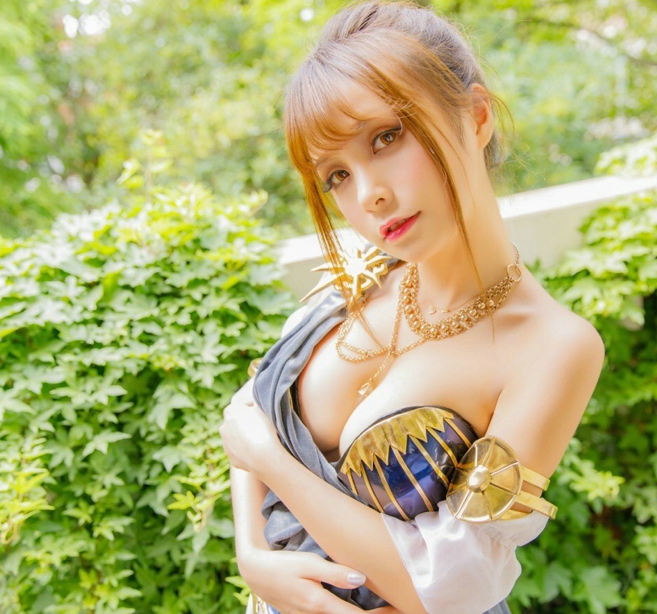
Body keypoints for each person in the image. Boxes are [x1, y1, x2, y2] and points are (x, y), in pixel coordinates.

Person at [219, 2, 605, 612]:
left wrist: (267, 456)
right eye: (336, 175)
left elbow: (454, 586)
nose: (369, 195)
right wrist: (252, 556)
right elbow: (254, 404)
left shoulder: (553, 347)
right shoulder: (355, 286)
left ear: (476, 117)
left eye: (386, 137)